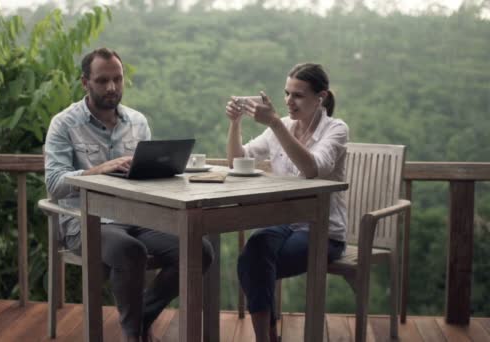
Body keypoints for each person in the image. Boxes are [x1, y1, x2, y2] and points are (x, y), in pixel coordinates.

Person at [45, 47, 214, 342]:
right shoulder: (64, 124)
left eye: (117, 79)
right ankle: (133, 333)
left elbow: (147, 180)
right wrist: (99, 169)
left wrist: (167, 171)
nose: (112, 88)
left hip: (136, 217)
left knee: (199, 250)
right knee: (129, 250)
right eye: (102, 81)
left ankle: (137, 321)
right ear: (85, 82)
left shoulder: (138, 122)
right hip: (85, 221)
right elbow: (54, 184)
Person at [225, 63, 348, 342]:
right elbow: (236, 160)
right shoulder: (282, 126)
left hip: (323, 231)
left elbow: (312, 167)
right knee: (254, 251)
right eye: (287, 93)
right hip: (285, 224)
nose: (289, 101)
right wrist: (235, 124)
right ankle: (267, 336)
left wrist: (275, 123)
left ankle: (265, 338)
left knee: (253, 264)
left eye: (298, 95)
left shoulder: (336, 130)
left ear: (321, 97)